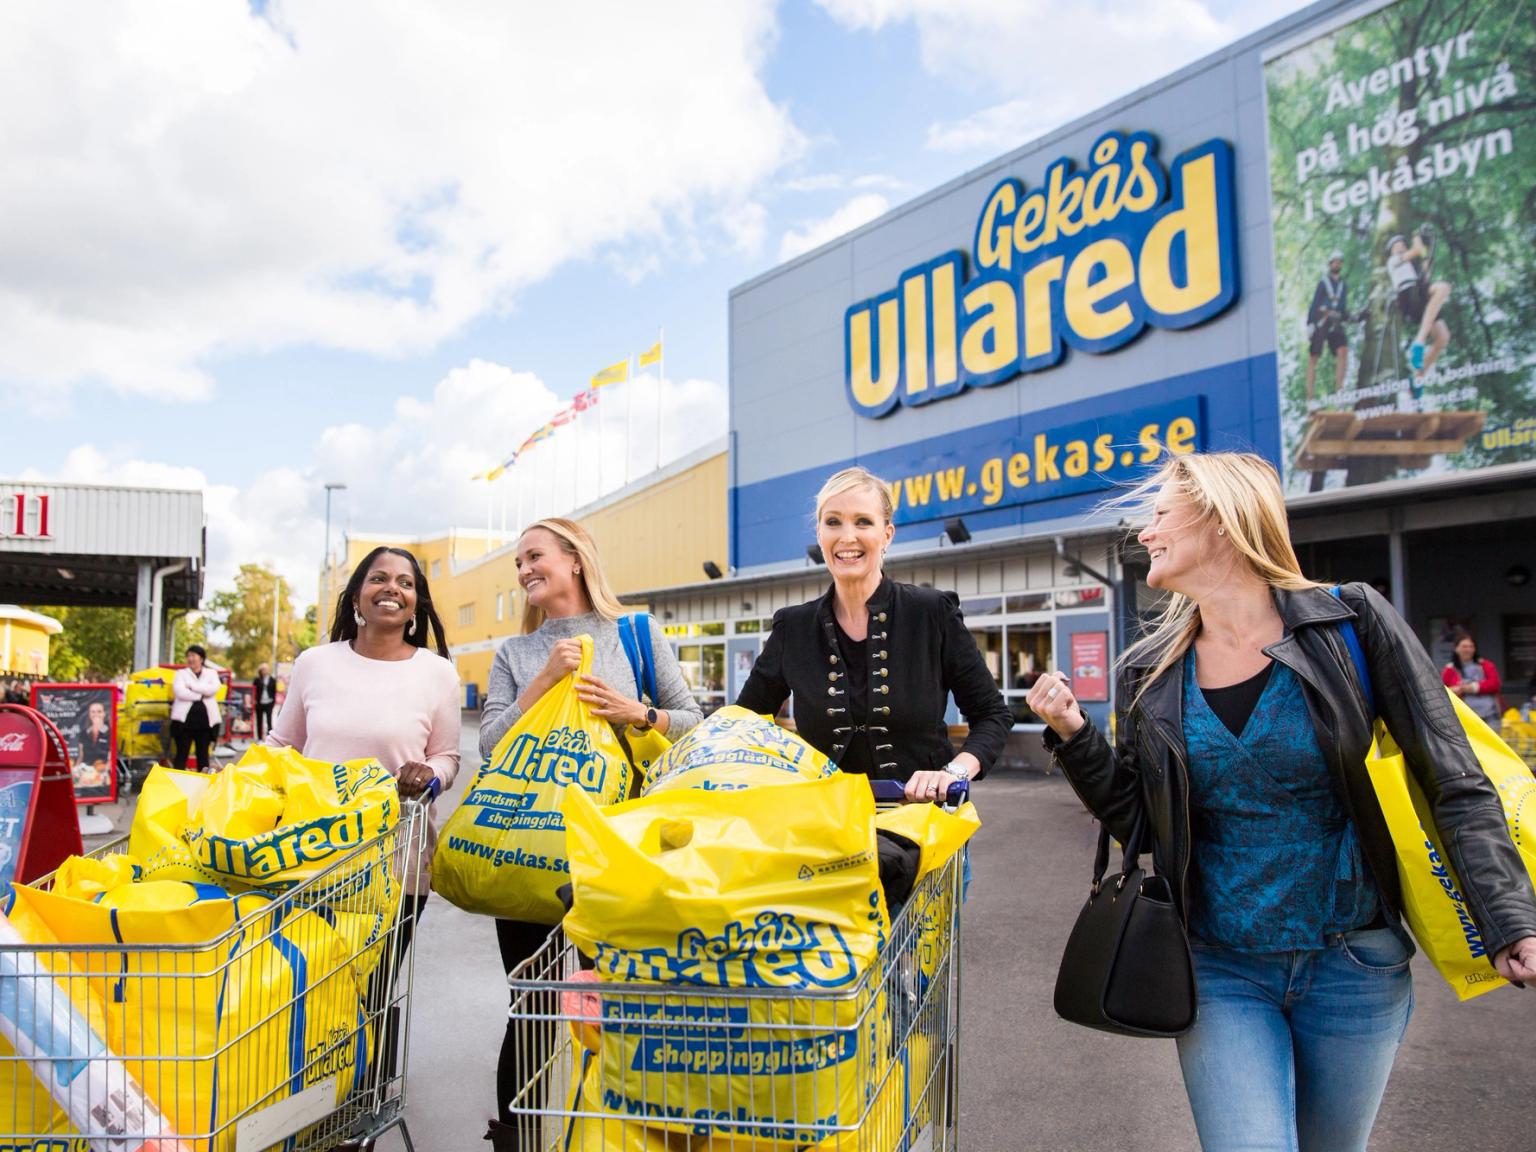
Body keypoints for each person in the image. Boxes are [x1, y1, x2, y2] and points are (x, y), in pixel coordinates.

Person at [1028, 451, 1536, 1152]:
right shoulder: (1153, 673)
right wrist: (1074, 736)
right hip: (1220, 965)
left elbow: (1454, 777)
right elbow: (1138, 821)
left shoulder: (1349, 625)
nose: (1145, 533)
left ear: (1221, 520)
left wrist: (1511, 919)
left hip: (1353, 964)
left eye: (1160, 515)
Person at [478, 517, 703, 1152]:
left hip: (619, 854)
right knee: (534, 1007)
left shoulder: (634, 634)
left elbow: (692, 723)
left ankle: (613, 1134)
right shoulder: (515, 654)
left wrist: (640, 713)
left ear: (575, 560)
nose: (524, 570)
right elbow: (491, 747)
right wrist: (543, 683)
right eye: (518, 562)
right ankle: (515, 1140)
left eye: (534, 556)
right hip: (531, 856)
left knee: (615, 1005)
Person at [265, 544, 459, 1108]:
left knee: (368, 991)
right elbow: (283, 745)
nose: (391, 588)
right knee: (307, 986)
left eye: (404, 581)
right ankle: (302, 1106)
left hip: (397, 859)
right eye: (378, 578)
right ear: (356, 596)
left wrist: (431, 776)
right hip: (309, 857)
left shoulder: (438, 674)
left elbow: (448, 756)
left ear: (416, 602)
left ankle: (361, 1107)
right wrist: (240, 777)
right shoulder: (315, 664)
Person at [736, 466, 1012, 801]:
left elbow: (992, 714)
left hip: (921, 819)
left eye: (863, 522)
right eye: (833, 521)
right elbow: (743, 724)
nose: (847, 536)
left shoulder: (931, 613)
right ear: (820, 534)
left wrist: (953, 772)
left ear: (887, 535)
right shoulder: (791, 628)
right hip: (821, 823)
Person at [1385, 229, 1451, 376]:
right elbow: (1418, 249)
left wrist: (1427, 261)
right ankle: (1419, 342)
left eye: (1403, 245)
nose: (1401, 247)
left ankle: (1418, 378)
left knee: (1443, 337)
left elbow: (1425, 279)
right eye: (1397, 246)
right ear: (1391, 251)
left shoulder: (1410, 267)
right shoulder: (1393, 261)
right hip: (1407, 295)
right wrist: (1416, 235)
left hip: (1418, 293)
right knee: (1443, 287)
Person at [1305, 250, 1350, 404]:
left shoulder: (1343, 285)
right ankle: (1310, 398)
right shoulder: (1323, 282)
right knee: (1314, 357)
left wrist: (1354, 317)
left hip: (1335, 322)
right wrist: (1310, 323)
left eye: (1339, 261)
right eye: (1334, 261)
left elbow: (1343, 309)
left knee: (1343, 351)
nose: (1337, 264)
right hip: (1321, 321)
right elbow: (1315, 303)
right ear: (1330, 264)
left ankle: (1340, 390)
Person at [170, 645, 221, 770]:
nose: (190, 659)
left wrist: (191, 686)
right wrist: (202, 694)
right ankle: (177, 785)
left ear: (201, 658)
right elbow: (180, 692)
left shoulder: (211, 673)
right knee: (181, 754)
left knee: (203, 755)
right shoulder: (181, 674)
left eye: (193, 656)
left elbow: (213, 689)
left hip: (205, 723)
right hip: (184, 723)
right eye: (188, 656)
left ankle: (203, 786)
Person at [1441, 630, 1502, 725]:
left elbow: (1495, 684)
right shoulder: (1449, 669)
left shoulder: (1486, 665)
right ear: (1456, 649)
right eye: (1464, 646)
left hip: (1490, 716)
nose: (1468, 650)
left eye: (1471, 646)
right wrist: (1454, 690)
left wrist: (1473, 688)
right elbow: (1442, 692)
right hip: (1463, 718)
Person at [78, 700, 112, 766]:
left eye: (99, 711)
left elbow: (112, 758)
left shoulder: (110, 732)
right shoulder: (84, 733)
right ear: (89, 714)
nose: (96, 714)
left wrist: (105, 771)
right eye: (93, 712)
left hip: (104, 772)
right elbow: (81, 756)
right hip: (86, 771)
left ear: (104, 713)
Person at [252, 662, 278, 740]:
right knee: (259, 720)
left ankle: (269, 738)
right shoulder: (257, 680)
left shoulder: (272, 680)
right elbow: (253, 690)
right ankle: (259, 738)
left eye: (266, 669)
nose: (265, 671)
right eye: (263, 669)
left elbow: (274, 692)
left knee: (269, 720)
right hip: (259, 703)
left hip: (269, 702)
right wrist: (254, 700)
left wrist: (273, 702)